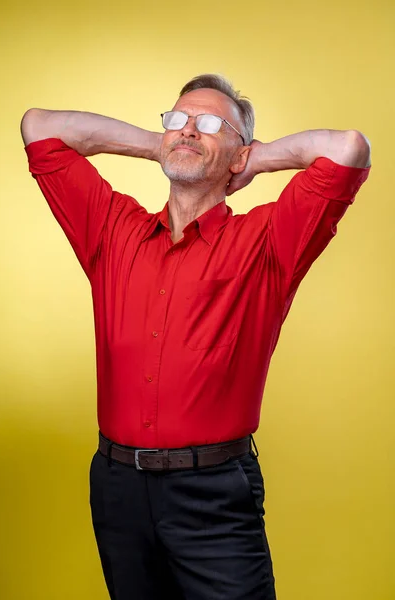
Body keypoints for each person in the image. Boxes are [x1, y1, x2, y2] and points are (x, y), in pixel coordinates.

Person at [21, 74, 371, 600]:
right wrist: (166, 145)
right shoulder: (112, 228)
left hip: (212, 494)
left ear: (240, 152)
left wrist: (254, 159)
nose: (187, 130)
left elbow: (347, 150)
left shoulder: (268, 243)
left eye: (210, 123)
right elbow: (39, 128)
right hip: (117, 488)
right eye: (177, 119)